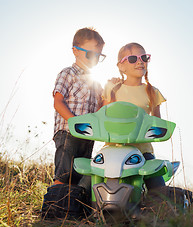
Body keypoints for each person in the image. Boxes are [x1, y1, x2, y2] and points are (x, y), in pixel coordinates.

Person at [103, 42, 166, 189]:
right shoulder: (112, 88)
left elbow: (157, 123)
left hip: (143, 151)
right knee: (89, 181)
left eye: (143, 57)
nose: (140, 62)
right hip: (113, 149)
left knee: (158, 189)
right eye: (133, 59)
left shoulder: (153, 92)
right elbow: (103, 117)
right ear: (121, 66)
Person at [52, 27, 105, 186]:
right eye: (90, 54)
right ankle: (53, 208)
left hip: (87, 136)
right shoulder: (68, 73)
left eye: (98, 56)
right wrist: (75, 122)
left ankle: (74, 208)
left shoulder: (96, 83)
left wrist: (111, 92)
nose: (94, 59)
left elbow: (99, 111)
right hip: (68, 133)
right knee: (64, 174)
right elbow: (58, 102)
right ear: (76, 51)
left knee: (80, 175)